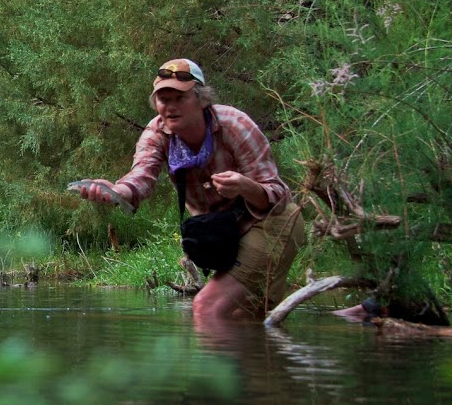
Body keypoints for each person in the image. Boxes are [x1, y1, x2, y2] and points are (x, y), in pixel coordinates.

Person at [76, 59, 305, 319]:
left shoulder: (233, 125)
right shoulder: (157, 133)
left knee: (207, 308)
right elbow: (141, 177)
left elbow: (277, 197)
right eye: (164, 99)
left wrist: (245, 186)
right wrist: (116, 192)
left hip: (271, 223)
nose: (171, 107)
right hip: (228, 233)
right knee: (242, 319)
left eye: (180, 98)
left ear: (201, 99)